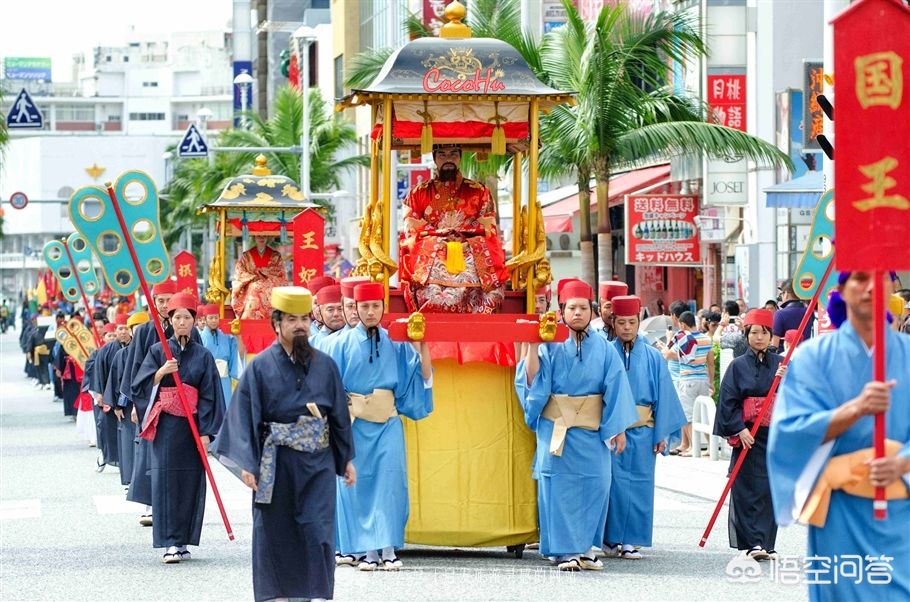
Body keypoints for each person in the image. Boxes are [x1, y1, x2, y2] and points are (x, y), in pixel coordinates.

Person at [769, 271, 910, 601]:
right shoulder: (811, 358)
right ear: (841, 290)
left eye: (881, 277)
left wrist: (902, 462)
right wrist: (855, 409)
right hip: (840, 513)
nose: (872, 287)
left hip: (902, 510)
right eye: (860, 278)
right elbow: (789, 432)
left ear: (893, 288)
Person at [212, 286, 355, 602]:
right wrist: (247, 464)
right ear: (276, 324)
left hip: (317, 463)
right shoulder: (260, 367)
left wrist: (345, 458)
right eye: (292, 319)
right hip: (274, 463)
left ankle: (317, 594)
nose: (300, 326)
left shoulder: (326, 365)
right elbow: (242, 415)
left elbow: (339, 415)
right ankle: (277, 594)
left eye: (304, 318)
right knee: (275, 531)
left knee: (318, 530)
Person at [516, 279, 638, 571]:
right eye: (572, 308)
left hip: (592, 432)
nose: (578, 313)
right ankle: (564, 550)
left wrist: (618, 428)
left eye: (583, 307)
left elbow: (617, 387)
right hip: (557, 428)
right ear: (562, 310)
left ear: (592, 310)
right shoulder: (551, 345)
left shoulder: (606, 349)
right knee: (559, 488)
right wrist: (533, 346)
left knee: (597, 484)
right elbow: (532, 382)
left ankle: (584, 548)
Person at [328, 282, 433, 571]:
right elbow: (328, 385)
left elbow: (416, 376)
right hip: (354, 423)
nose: (370, 312)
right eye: (364, 306)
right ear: (356, 309)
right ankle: (367, 550)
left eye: (376, 306)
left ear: (384, 308)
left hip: (387, 422)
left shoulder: (395, 342)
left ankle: (388, 548)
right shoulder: (340, 344)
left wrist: (422, 343)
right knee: (358, 483)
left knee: (389, 482)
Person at [133, 292, 225, 564]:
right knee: (165, 482)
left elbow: (210, 395)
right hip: (166, 428)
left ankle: (183, 541)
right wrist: (160, 372)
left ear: (194, 321)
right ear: (170, 321)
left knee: (190, 482)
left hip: (192, 428)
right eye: (177, 318)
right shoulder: (157, 351)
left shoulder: (203, 356)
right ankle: (169, 543)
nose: (182, 322)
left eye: (187, 317)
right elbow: (139, 385)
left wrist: (207, 432)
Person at [604, 295, 686, 560]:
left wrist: (662, 432)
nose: (627, 327)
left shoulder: (653, 356)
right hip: (613, 430)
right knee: (612, 485)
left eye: (631, 322)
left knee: (640, 485)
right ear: (613, 323)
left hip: (644, 430)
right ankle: (610, 538)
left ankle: (631, 540)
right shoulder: (606, 353)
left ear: (639, 322)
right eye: (621, 322)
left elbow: (664, 394)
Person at [399, 144, 508, 313]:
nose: (448, 159)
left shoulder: (479, 192)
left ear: (460, 156)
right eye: (442, 154)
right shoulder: (418, 193)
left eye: (453, 154)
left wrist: (464, 240)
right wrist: (440, 239)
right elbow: (411, 227)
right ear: (434, 158)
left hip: (469, 248)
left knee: (487, 253)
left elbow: (488, 228)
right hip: (432, 249)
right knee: (421, 251)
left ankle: (478, 315)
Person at [713, 309, 785, 561]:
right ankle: (753, 542)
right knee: (747, 489)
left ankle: (767, 542)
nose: (759, 337)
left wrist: (787, 380)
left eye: (764, 333)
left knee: (769, 489)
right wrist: (739, 428)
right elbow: (727, 403)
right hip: (747, 435)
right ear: (746, 334)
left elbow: (796, 395)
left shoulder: (781, 365)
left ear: (771, 336)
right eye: (754, 332)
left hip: (774, 437)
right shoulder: (737, 366)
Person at [662, 311, 714, 456]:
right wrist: (711, 382)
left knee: (687, 415)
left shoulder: (684, 339)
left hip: (687, 380)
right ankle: (710, 446)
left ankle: (693, 447)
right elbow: (711, 363)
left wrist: (668, 341)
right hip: (703, 379)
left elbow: (668, 355)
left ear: (683, 324)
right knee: (703, 414)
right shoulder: (706, 339)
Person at [231, 235, 288, 320]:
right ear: (254, 237)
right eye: (258, 236)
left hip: (270, 285)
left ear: (268, 237)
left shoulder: (276, 256)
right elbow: (240, 272)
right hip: (252, 284)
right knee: (255, 287)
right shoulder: (246, 256)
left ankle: (273, 318)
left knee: (266, 289)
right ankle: (249, 318)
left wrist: (266, 277)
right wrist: (252, 277)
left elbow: (281, 274)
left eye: (264, 236)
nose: (262, 238)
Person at [199, 304, 243, 408]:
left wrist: (237, 335)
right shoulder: (199, 338)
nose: (214, 320)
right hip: (208, 379)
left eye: (216, 317)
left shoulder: (227, 337)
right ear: (205, 319)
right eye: (211, 318)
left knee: (226, 406)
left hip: (224, 379)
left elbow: (235, 355)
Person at [771, 278, 814, 350]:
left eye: (782, 293)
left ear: (786, 294)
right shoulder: (809, 312)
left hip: (784, 358)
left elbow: (774, 345)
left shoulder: (780, 314)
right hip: (804, 355)